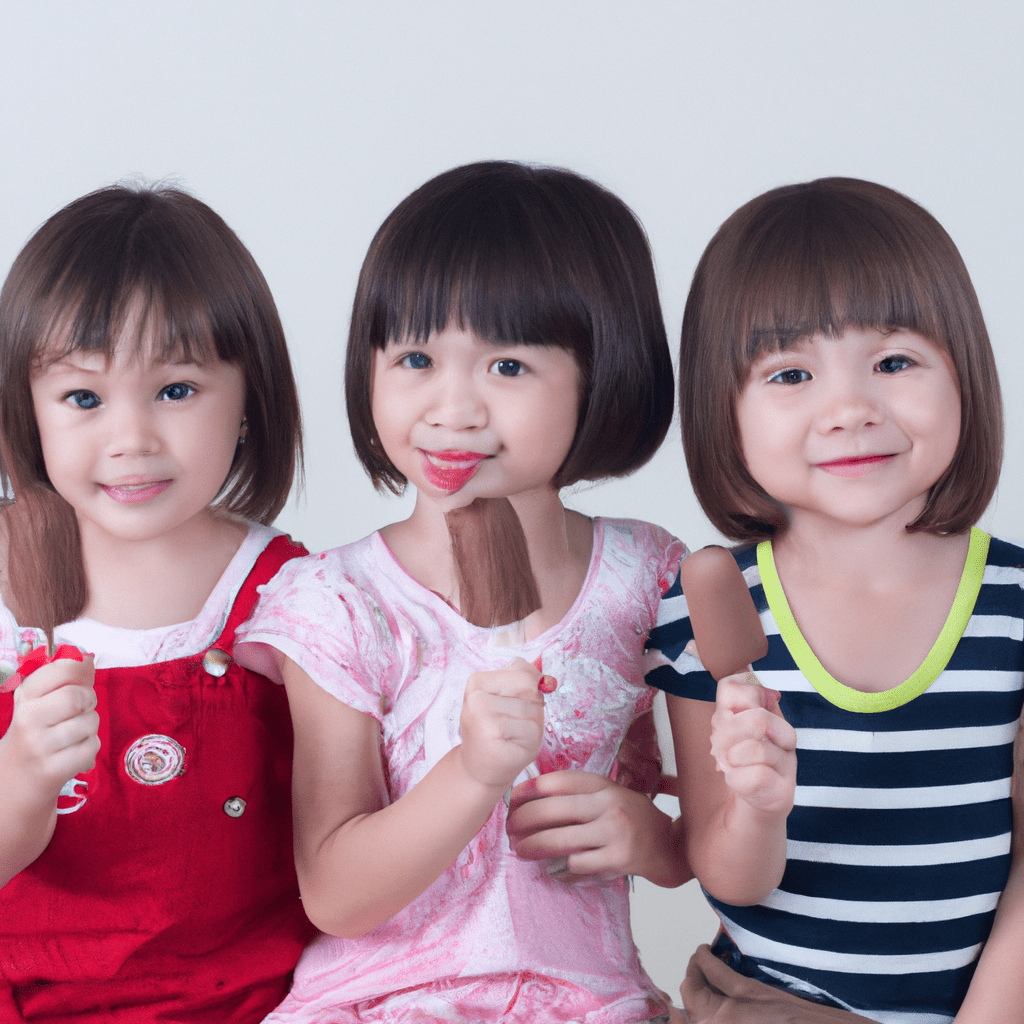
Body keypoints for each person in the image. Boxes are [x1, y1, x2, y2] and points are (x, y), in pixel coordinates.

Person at [237, 161, 687, 1023]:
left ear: (604, 371)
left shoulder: (648, 577)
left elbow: (696, 841)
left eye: (508, 366)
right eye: (413, 357)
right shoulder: (339, 601)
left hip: (587, 999)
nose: (451, 410)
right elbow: (334, 893)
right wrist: (474, 772)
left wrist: (650, 839)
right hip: (380, 1001)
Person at [645, 177, 1024, 1024]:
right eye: (790, 374)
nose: (850, 409)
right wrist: (756, 802)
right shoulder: (702, 609)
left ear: (965, 371)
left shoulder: (1016, 606)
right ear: (725, 411)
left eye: (894, 362)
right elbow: (730, 877)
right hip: (768, 1004)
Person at [0, 184, 315, 1021]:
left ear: (250, 398)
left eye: (176, 390)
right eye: (83, 398)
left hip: (250, 998)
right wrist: (23, 776)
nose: (131, 438)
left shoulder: (292, 591)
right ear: (27, 412)